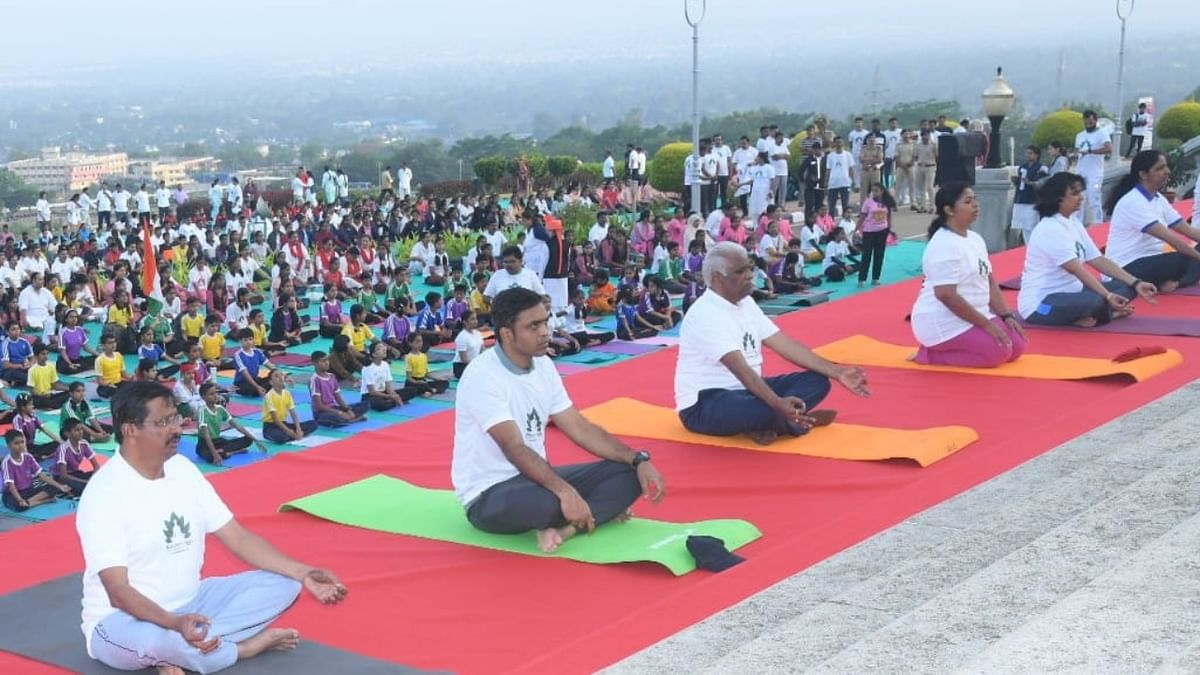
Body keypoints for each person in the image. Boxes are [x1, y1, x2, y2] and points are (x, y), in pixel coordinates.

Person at [75, 381, 346, 673]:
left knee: (285, 582)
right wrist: (175, 624)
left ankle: (195, 646)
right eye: (164, 422)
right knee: (165, 641)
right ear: (130, 430)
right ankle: (238, 648)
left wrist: (304, 572)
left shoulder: (183, 470)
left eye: (176, 417)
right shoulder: (105, 494)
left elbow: (238, 538)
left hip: (196, 602)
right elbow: (118, 592)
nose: (176, 428)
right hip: (121, 620)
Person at [451, 287, 666, 553]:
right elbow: (514, 448)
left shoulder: (543, 365)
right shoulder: (482, 376)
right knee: (547, 503)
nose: (545, 331)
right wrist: (566, 492)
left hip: (538, 478)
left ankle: (569, 527)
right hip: (489, 495)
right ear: (507, 334)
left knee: (630, 474)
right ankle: (594, 511)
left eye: (545, 321)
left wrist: (637, 458)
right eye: (533, 326)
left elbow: (578, 427)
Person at [674, 242, 869, 445]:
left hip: (748, 391)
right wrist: (776, 402)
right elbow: (739, 368)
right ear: (717, 277)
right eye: (740, 271)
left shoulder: (746, 303)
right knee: (759, 408)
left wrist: (837, 372)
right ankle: (788, 422)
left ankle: (770, 422)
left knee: (818, 381)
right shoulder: (705, 314)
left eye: (749, 268)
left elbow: (783, 344)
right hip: (705, 403)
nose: (750, 275)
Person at [911, 183, 1028, 367]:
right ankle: (930, 355)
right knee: (999, 352)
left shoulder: (974, 238)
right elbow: (945, 295)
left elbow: (989, 281)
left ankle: (977, 338)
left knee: (1017, 347)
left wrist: (1006, 316)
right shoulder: (944, 244)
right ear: (949, 210)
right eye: (968, 201)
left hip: (974, 313)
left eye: (975, 200)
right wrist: (987, 325)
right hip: (943, 321)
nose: (975, 205)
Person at [1019, 173, 1158, 327]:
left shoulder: (1072, 222)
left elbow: (1096, 259)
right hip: (1041, 303)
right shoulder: (1050, 228)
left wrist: (1136, 282)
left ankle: (1098, 314)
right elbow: (1076, 269)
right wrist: (1107, 295)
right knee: (1096, 300)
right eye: (1075, 193)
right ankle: (1102, 313)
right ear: (1058, 198)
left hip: (1074, 292)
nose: (1081, 197)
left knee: (1128, 287)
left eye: (1081, 192)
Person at [1103, 150, 1200, 291]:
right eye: (1160, 168)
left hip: (1152, 260)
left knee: (1191, 256)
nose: (1167, 171)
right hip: (1126, 267)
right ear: (1143, 174)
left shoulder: (1158, 199)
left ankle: (1170, 282)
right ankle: (1178, 282)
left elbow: (1187, 230)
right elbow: (1172, 239)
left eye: (1166, 166)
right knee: (1186, 258)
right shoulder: (1133, 202)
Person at [196, 382, 265, 466]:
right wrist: (214, 454)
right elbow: (206, 435)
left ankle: (223, 452)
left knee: (248, 440)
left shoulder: (220, 409)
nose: (215, 396)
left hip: (218, 442)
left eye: (216, 393)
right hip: (204, 445)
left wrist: (256, 440)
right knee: (210, 457)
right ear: (203, 397)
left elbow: (237, 426)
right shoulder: (202, 411)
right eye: (211, 394)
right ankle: (232, 452)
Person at [4, 429, 72, 511]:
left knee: (53, 487)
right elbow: (11, 486)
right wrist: (20, 500)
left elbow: (41, 475)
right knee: (18, 506)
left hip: (29, 490)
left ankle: (28, 503)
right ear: (8, 446)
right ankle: (43, 501)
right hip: (13, 494)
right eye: (16, 443)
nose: (20, 445)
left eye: (22, 442)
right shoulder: (7, 462)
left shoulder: (28, 457)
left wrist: (60, 486)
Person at [309, 351, 369, 427]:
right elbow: (319, 406)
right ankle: (354, 419)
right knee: (335, 418)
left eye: (327, 360)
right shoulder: (314, 380)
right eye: (323, 361)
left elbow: (338, 398)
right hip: (322, 412)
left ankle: (348, 419)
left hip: (334, 407)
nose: (327, 363)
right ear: (314, 363)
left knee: (365, 404)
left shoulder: (332, 376)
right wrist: (339, 413)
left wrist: (348, 410)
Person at [1074, 110, 1112, 225]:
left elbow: (1109, 149)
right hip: (1081, 170)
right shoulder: (1080, 136)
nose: (1088, 125)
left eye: (1090, 122)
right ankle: (1077, 223)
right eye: (1086, 123)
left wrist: (1091, 151)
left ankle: (1098, 223)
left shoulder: (1102, 134)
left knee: (1093, 198)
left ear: (1095, 120)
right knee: (1080, 199)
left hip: (1095, 172)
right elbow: (1077, 151)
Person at [262, 369, 318, 443]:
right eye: (276, 376)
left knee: (313, 424)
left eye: (281, 375)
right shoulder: (269, 396)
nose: (280, 377)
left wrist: (298, 429)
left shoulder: (287, 393)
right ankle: (292, 435)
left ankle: (295, 434)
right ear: (271, 382)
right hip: (271, 426)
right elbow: (276, 420)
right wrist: (290, 432)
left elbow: (293, 414)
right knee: (281, 437)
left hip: (284, 423)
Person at [856, 183, 896, 288]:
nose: (874, 193)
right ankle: (862, 278)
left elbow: (889, 216)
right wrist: (856, 229)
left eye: (876, 190)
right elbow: (862, 217)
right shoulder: (868, 203)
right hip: (869, 231)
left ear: (882, 191)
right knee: (867, 255)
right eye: (873, 191)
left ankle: (875, 277)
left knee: (879, 254)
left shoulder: (886, 202)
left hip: (882, 231)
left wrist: (890, 229)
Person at [1012, 145, 1050, 243]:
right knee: (1024, 226)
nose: (1028, 155)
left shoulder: (1042, 167)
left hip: (1033, 199)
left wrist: (1030, 182)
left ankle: (1035, 245)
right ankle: (1027, 245)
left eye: (1030, 153)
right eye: (1027, 153)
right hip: (1021, 198)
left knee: (1033, 225)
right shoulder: (1022, 166)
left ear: (1037, 155)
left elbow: (1042, 182)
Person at [55, 418, 99, 494]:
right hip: (63, 477)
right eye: (76, 430)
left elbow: (96, 466)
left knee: (102, 476)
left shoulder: (84, 444)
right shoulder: (63, 449)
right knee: (82, 488)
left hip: (76, 474)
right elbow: (64, 475)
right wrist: (86, 481)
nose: (81, 432)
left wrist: (93, 478)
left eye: (81, 429)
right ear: (67, 433)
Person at [27, 344, 69, 409]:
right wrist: (42, 395)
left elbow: (55, 385)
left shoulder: (51, 366)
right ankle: (52, 405)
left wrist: (69, 389)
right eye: (43, 354)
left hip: (49, 395)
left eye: (47, 354)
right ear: (36, 356)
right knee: (36, 401)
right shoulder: (32, 370)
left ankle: (52, 405)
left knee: (69, 394)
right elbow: (32, 391)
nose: (46, 356)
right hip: (39, 397)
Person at [823, 138, 854, 216]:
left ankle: (845, 224)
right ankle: (831, 224)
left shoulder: (848, 155)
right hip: (833, 183)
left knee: (845, 206)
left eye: (840, 142)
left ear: (843, 143)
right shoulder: (830, 156)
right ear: (834, 144)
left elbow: (851, 169)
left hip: (845, 183)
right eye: (837, 142)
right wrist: (826, 183)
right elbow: (828, 170)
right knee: (831, 206)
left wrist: (852, 181)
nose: (839, 144)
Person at [453, 310, 486, 379]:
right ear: (465, 322)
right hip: (462, 367)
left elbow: (483, 351)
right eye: (472, 319)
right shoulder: (462, 337)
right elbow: (464, 359)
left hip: (474, 364)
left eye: (476, 318)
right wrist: (477, 366)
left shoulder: (478, 333)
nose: (476, 321)